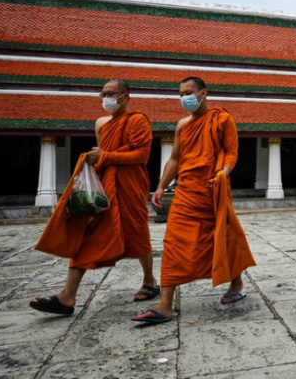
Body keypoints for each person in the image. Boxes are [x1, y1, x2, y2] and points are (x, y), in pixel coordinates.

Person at [133, 76, 256, 324]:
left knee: (223, 237)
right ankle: (165, 303)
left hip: (214, 188)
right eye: (180, 93)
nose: (183, 98)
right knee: (174, 242)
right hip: (186, 191)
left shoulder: (222, 119)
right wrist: (160, 186)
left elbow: (231, 152)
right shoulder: (182, 125)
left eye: (188, 92)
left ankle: (236, 281)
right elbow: (175, 159)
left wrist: (223, 173)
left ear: (203, 94)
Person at [31, 79, 157, 315]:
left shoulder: (137, 120)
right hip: (106, 185)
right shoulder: (101, 123)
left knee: (137, 233)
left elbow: (140, 155)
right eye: (104, 93)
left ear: (126, 97)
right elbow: (103, 154)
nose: (107, 98)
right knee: (89, 235)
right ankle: (67, 295)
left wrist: (105, 157)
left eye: (113, 93)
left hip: (130, 185)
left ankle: (150, 281)